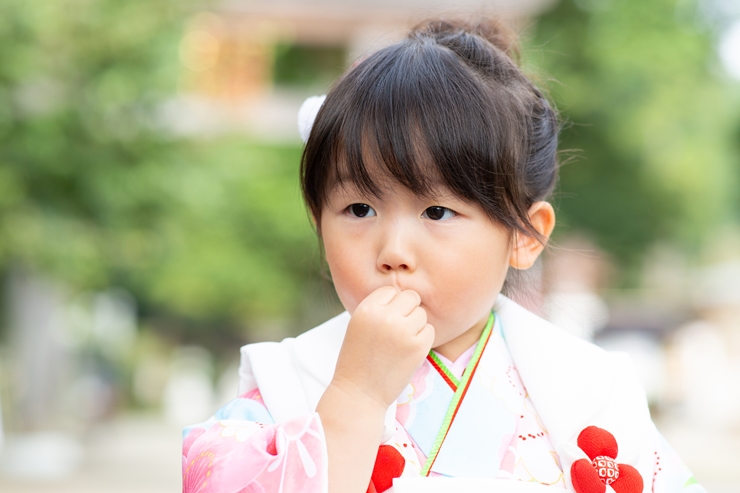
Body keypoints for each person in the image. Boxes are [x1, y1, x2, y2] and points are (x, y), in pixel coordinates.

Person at [182, 19, 705, 493]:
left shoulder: (589, 389)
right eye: (359, 208)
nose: (393, 252)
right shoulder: (283, 383)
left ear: (525, 235)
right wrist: (356, 397)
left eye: (436, 212)